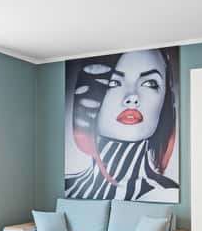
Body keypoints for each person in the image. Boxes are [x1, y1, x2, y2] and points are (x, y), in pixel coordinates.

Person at [65, 49, 179, 201]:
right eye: (113, 83)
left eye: (150, 83)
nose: (132, 97)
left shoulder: (167, 194)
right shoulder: (67, 187)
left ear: (165, 98)